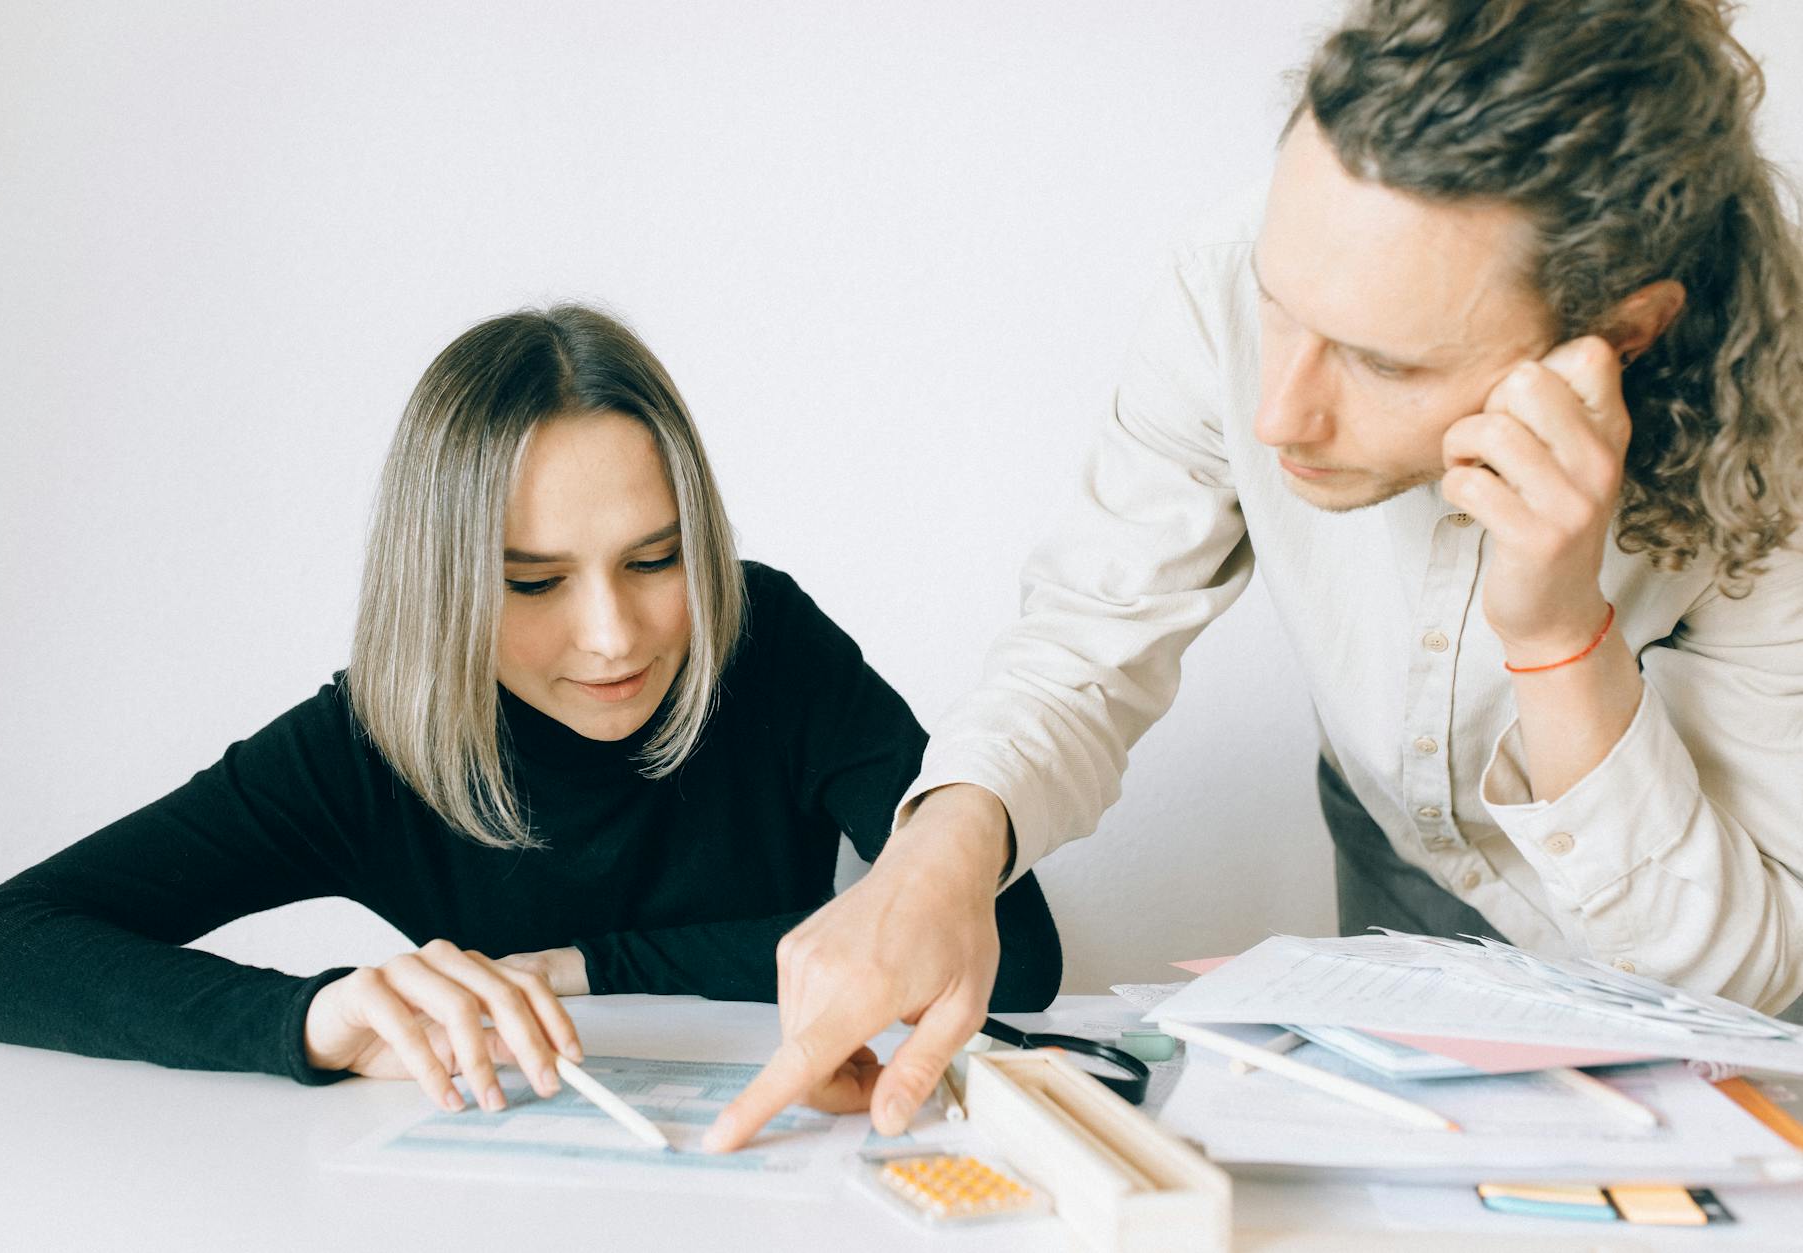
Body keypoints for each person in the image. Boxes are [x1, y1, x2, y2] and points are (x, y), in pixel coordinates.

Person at [704, 0, 1803, 1151]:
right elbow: (1090, 634)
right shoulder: (1229, 272)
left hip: (1705, 972)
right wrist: (937, 856)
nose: (1278, 413)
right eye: (1277, 307)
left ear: (1619, 335)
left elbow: (1732, 973)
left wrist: (1555, 635)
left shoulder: (1777, 441)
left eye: (1383, 362)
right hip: (1404, 889)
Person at [0, 305, 1061, 1116]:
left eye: (656, 559)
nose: (613, 635)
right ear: (445, 584)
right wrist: (314, 1019)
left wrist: (575, 966)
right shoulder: (366, 742)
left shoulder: (765, 640)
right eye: (532, 582)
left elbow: (1017, 956)